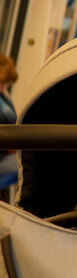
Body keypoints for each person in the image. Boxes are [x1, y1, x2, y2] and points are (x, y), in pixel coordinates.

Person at [0, 55, 18, 202]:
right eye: (1, 82)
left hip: (8, 152)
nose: (3, 88)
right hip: (3, 155)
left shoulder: (4, 97)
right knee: (24, 165)